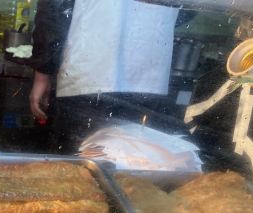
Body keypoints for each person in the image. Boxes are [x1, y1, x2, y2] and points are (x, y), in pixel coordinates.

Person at [30, 0, 181, 152]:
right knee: (133, 158)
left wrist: (43, 72)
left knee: (78, 157)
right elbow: (186, 11)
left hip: (88, 71)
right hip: (148, 72)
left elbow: (54, 8)